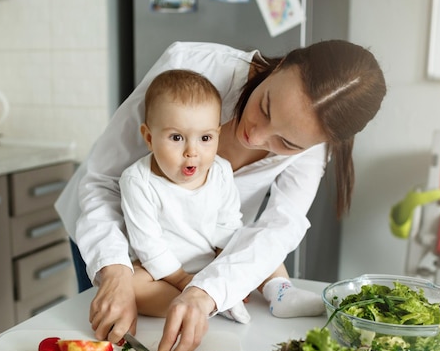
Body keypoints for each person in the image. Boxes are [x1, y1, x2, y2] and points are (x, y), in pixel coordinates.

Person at [54, 40, 386, 351]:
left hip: (194, 251)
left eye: (285, 142)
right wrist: (115, 274)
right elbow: (103, 181)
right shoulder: (193, 66)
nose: (255, 137)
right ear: (282, 64)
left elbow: (278, 228)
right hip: (108, 233)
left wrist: (207, 293)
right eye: (265, 107)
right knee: (109, 340)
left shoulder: (312, 150)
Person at [120, 69, 324, 323]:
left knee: (256, 241)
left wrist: (227, 270)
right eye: (176, 138)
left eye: (205, 138)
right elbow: (148, 246)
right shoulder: (137, 181)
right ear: (149, 138)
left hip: (210, 261)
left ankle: (280, 291)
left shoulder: (219, 170)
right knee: (132, 287)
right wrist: (184, 280)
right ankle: (193, 304)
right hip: (162, 270)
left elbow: (227, 226)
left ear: (217, 134)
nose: (192, 152)